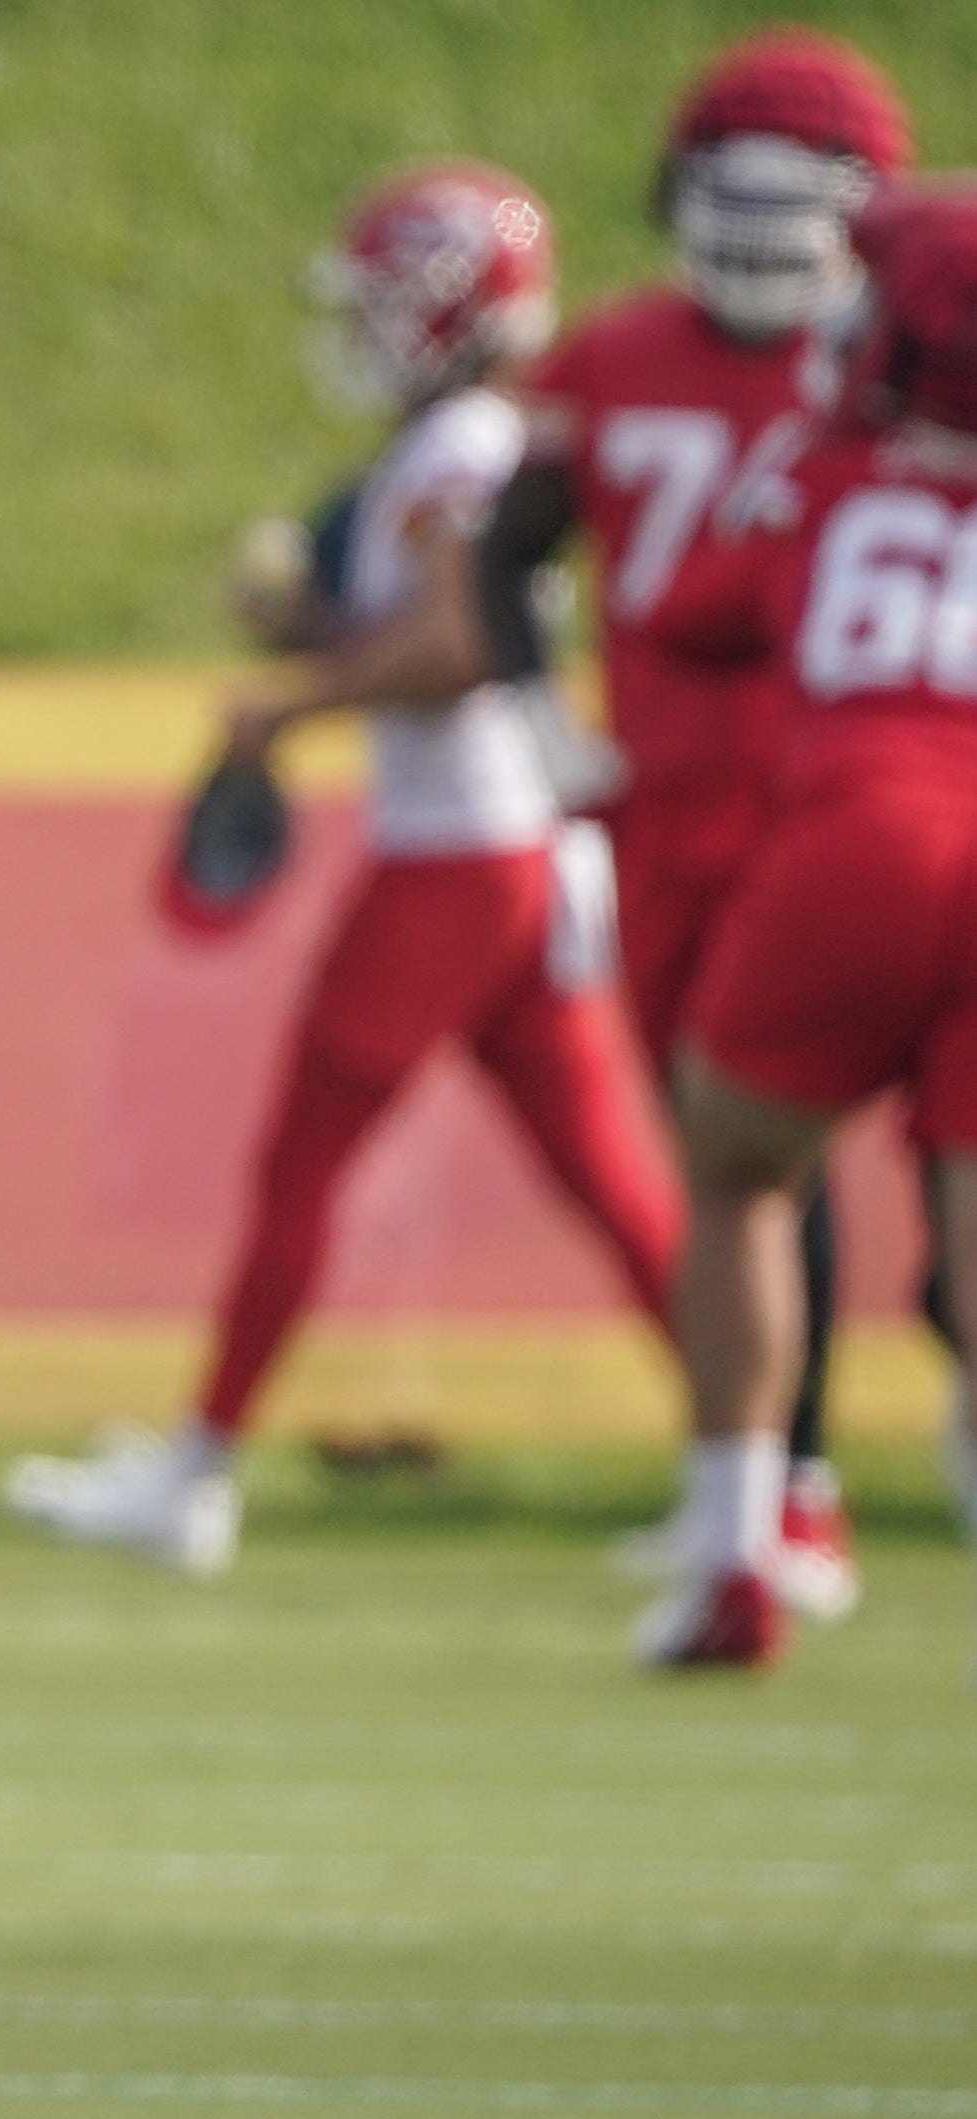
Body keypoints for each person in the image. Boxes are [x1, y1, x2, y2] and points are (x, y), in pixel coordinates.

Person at [9, 166, 683, 1577]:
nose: (370, 327)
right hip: (515, 851)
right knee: (614, 1181)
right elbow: (446, 634)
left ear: (446, 307)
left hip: (456, 856)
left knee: (302, 1159)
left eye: (389, 302)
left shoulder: (454, 454)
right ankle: (765, 1468)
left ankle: (193, 1471)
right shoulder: (477, 440)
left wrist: (288, 702)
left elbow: (448, 653)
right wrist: (311, 625)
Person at [483, 32, 910, 1622]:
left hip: (834, 811)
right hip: (682, 809)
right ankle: (763, 1494)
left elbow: (689, 591)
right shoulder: (616, 358)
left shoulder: (887, 372)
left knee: (793, 1170)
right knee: (739, 1166)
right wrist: (544, 723)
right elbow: (520, 547)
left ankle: (768, 1500)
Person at [638, 181, 977, 1668]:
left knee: (733, 1167)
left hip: (864, 825)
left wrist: (831, 448)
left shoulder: (834, 470)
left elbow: (685, 610)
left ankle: (734, 1545)